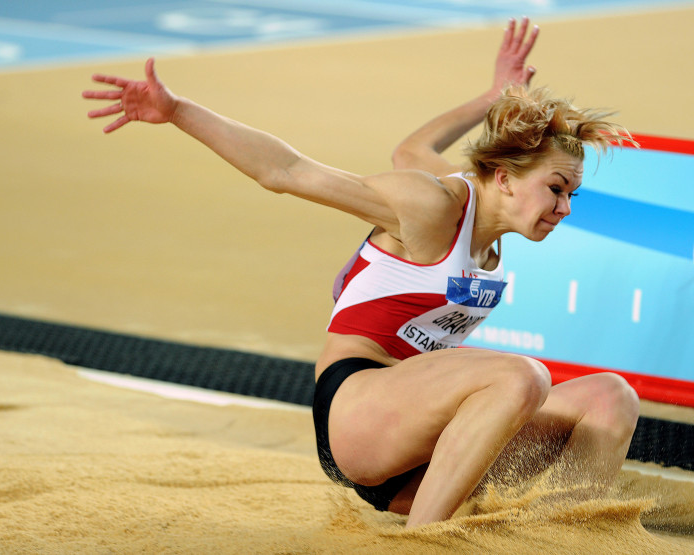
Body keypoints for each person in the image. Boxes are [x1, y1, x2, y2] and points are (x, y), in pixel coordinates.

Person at [82, 17, 640, 529]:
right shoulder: (432, 207)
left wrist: (492, 99)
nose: (565, 208)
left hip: (428, 445)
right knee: (521, 375)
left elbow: (410, 147)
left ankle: (562, 534)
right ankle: (425, 540)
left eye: (572, 194)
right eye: (557, 189)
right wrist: (178, 111)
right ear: (503, 178)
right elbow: (286, 170)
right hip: (357, 414)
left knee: (611, 397)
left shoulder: (489, 236)